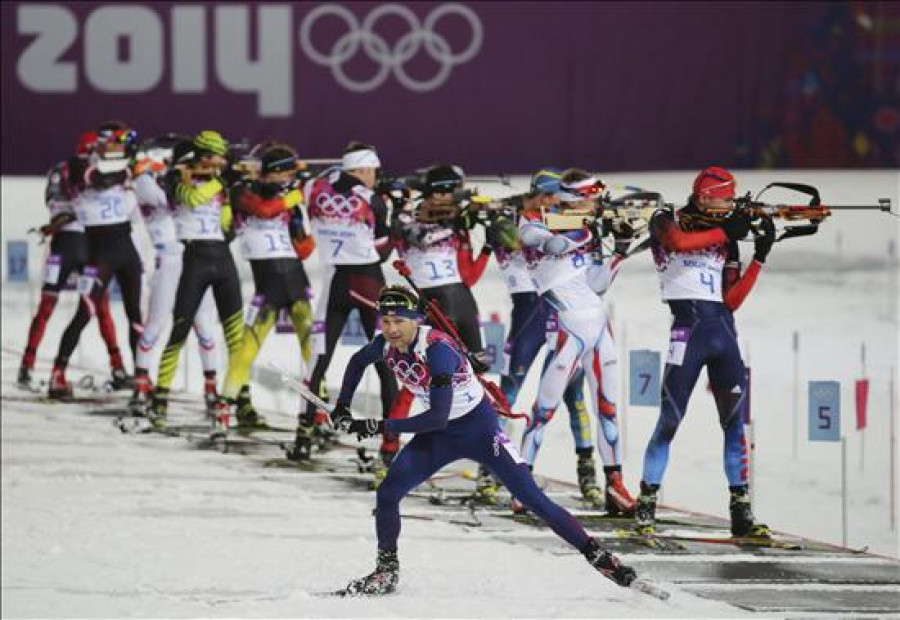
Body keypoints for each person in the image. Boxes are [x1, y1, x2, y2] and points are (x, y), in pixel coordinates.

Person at [326, 285, 637, 596]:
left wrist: (379, 425)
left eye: (400, 321)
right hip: (440, 436)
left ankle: (599, 556)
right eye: (386, 321)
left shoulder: (438, 350)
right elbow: (356, 362)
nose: (392, 329)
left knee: (532, 500)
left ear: (417, 320)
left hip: (479, 430)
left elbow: (437, 417)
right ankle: (386, 571)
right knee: (388, 493)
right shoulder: (385, 345)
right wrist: (342, 405)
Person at [635, 165, 775, 538]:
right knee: (669, 420)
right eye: (725, 198)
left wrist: (759, 256)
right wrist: (728, 229)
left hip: (723, 335)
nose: (730, 205)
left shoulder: (727, 238)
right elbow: (677, 244)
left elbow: (731, 300)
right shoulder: (665, 220)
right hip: (687, 333)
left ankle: (740, 510)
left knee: (734, 425)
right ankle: (646, 504)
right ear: (703, 197)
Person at [518, 169, 635, 515]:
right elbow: (552, 244)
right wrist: (589, 229)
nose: (597, 204)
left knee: (609, 409)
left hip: (598, 325)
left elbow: (596, 285)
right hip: (566, 330)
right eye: (591, 198)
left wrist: (620, 250)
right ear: (575, 199)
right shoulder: (532, 223)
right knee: (544, 409)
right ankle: (521, 486)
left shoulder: (584, 228)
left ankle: (615, 486)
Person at [491, 169, 603, 508]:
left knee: (574, 398)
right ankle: (493, 470)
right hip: (528, 315)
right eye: (555, 199)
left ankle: (588, 474)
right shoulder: (512, 222)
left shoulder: (567, 222)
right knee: (508, 393)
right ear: (542, 197)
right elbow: (513, 238)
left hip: (560, 313)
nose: (561, 205)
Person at [390, 163, 497, 499]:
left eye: (453, 193)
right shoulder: (408, 218)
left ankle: (492, 463)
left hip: (462, 302)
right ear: (435, 192)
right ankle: (387, 450)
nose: (448, 198)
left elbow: (469, 276)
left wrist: (488, 247)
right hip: (431, 305)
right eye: (446, 192)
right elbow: (416, 237)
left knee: (477, 376)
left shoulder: (455, 223)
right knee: (417, 379)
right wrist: (455, 219)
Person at [290, 142, 397, 461]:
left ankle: (303, 435)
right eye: (373, 172)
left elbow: (311, 178)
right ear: (363, 170)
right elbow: (384, 250)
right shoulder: (372, 200)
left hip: (335, 283)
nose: (375, 178)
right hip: (368, 282)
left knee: (318, 362)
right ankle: (390, 447)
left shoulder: (313, 188)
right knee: (386, 364)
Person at [213, 143, 315, 427]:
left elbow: (304, 249)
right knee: (246, 352)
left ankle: (315, 418)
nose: (290, 180)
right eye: (287, 175)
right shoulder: (243, 191)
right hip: (267, 284)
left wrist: (305, 223)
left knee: (314, 352)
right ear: (276, 173)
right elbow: (264, 210)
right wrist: (292, 197)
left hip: (296, 280)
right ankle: (223, 412)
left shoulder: (289, 200)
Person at [18, 131, 128, 391]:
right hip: (87, 243)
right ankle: (118, 366)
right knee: (99, 307)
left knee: (49, 305)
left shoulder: (60, 169)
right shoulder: (95, 170)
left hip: (64, 245)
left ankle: (28, 363)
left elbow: (54, 203)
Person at [149, 131, 244, 430]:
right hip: (195, 257)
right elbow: (190, 199)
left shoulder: (219, 184)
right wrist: (219, 181)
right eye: (217, 157)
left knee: (236, 338)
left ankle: (242, 400)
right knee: (179, 330)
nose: (221, 162)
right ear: (205, 156)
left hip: (222, 257)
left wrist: (231, 195)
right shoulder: (177, 176)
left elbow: (228, 226)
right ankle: (159, 398)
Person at [48, 125, 144, 398]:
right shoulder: (76, 168)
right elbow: (98, 179)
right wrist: (130, 168)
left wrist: (138, 168)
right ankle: (58, 372)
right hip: (99, 253)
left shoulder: (117, 169)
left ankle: (141, 377)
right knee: (85, 312)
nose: (106, 150)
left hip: (126, 249)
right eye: (101, 146)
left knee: (135, 315)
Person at [129, 134, 220, 416]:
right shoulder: (147, 180)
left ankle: (211, 387)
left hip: (196, 257)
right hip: (168, 260)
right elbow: (164, 198)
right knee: (155, 325)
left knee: (205, 326)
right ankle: (141, 383)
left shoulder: (189, 180)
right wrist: (175, 174)